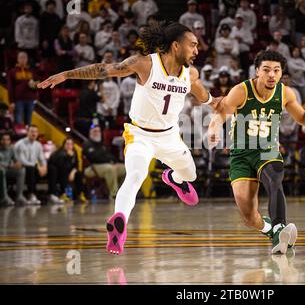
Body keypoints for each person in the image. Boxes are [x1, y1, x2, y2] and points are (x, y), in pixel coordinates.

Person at [38, 21, 220, 255]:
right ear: (176, 46)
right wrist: (67, 74)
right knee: (135, 176)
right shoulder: (144, 64)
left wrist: (212, 101)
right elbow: (104, 69)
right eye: (192, 45)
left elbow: (197, 89)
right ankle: (118, 224)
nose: (197, 50)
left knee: (191, 175)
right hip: (140, 135)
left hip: (170, 137)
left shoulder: (189, 72)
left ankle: (173, 178)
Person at [208, 50, 305, 254]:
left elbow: (302, 117)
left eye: (276, 70)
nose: (272, 74)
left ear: (281, 74)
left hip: (267, 150)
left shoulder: (285, 93)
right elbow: (222, 112)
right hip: (241, 154)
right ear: (257, 72)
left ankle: (280, 227)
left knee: (274, 179)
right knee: (249, 216)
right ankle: (271, 230)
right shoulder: (241, 90)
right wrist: (213, 128)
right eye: (267, 70)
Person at [14, 125, 47, 205]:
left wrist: (44, 167)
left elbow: (42, 158)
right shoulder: (20, 144)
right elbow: (22, 161)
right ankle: (31, 195)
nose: (34, 134)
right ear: (27, 132)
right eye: (32, 131)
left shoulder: (38, 144)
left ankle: (52, 194)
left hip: (34, 168)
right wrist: (37, 166)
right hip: (20, 167)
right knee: (31, 169)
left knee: (52, 169)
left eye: (36, 132)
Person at [48, 137, 86, 204]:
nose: (69, 146)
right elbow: (62, 166)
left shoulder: (74, 152)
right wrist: (68, 157)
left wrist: (73, 172)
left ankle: (79, 194)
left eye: (71, 144)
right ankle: (63, 194)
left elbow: (76, 165)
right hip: (58, 172)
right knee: (64, 172)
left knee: (79, 173)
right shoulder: (60, 153)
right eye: (67, 144)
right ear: (64, 145)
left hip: (69, 172)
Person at [7, 51, 40, 126]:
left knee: (28, 122)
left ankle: (26, 136)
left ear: (27, 59)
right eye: (21, 57)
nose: (23, 59)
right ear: (17, 59)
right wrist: (11, 101)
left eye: (24, 57)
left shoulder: (31, 71)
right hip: (18, 100)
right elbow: (10, 87)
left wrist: (35, 85)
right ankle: (19, 137)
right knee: (18, 121)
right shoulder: (13, 71)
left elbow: (38, 83)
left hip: (30, 99)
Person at [0, 133, 27, 206]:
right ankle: (4, 198)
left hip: (7, 170)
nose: (6, 142)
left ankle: (19, 196)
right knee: (1, 171)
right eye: (3, 140)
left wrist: (18, 164)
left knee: (22, 170)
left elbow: (16, 160)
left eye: (8, 140)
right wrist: (9, 166)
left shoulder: (12, 148)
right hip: (1, 170)